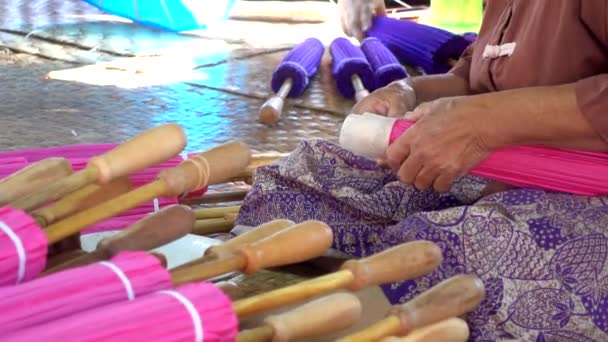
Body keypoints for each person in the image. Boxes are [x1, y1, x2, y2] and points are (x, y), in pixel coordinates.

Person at [237, 1, 608, 340]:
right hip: (500, 168)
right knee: (307, 174)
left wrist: (490, 122)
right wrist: (406, 92)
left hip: (589, 196)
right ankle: (360, 284)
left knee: (448, 251)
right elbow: (473, 80)